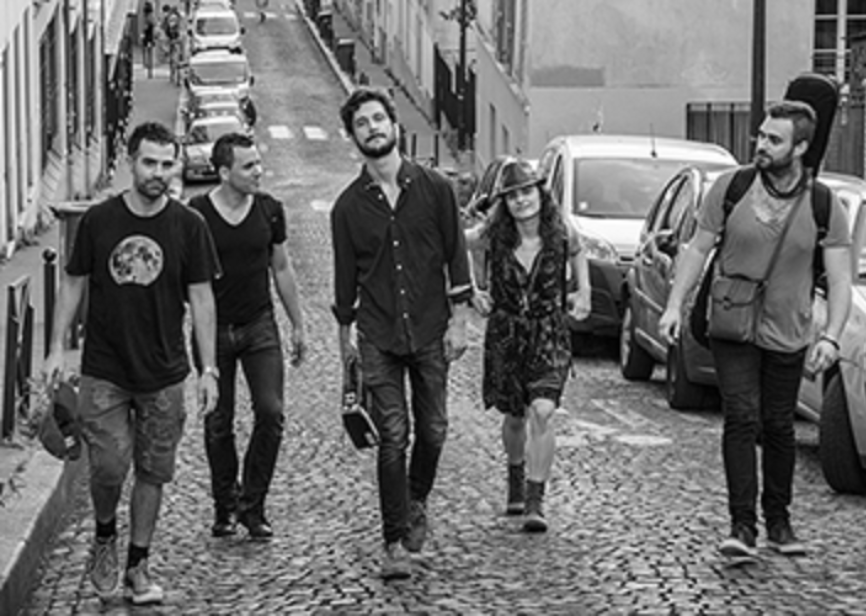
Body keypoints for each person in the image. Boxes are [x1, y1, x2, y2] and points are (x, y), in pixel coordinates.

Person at [658, 101, 852, 559]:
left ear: (800, 148)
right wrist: (674, 306)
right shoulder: (731, 188)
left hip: (789, 330)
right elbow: (697, 249)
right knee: (742, 417)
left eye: (773, 139)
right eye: (761, 135)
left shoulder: (824, 205)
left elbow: (840, 279)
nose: (761, 144)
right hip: (733, 325)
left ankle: (779, 522)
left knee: (778, 425)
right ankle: (742, 526)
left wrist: (832, 336)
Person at [42, 121, 220, 605]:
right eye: (149, 162)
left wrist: (209, 369)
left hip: (164, 371)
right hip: (106, 368)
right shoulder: (99, 221)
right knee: (109, 465)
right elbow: (73, 282)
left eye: (167, 164)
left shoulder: (189, 226)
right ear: (130, 162)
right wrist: (56, 347)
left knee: (153, 470)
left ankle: (138, 565)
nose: (158, 172)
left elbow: (202, 298)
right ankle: (105, 535)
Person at [331, 87, 473, 580]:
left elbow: (456, 256)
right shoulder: (347, 209)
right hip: (378, 333)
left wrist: (459, 320)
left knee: (434, 430)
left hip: (431, 327)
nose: (372, 128)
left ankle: (415, 501)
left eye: (378, 118)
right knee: (393, 434)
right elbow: (344, 281)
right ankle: (394, 542)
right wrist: (345, 342)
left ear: (394, 125)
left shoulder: (435, 189)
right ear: (353, 137)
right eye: (361, 123)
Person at [188, 133, 306, 541]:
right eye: (249, 165)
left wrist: (298, 324)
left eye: (258, 163)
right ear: (224, 172)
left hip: (259, 326)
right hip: (213, 329)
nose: (259, 171)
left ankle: (253, 506)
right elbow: (188, 280)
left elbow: (282, 268)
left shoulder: (270, 211)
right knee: (218, 420)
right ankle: (225, 504)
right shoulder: (198, 213)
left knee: (271, 413)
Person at [465, 159, 590, 533]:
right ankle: (516, 477)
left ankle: (536, 501)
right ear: (504, 202)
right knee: (515, 417)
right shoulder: (493, 234)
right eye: (512, 195)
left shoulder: (559, 230)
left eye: (527, 191)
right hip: (506, 334)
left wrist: (584, 290)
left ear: (540, 192)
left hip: (549, 331)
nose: (521, 200)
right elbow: (455, 243)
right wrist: (472, 290)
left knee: (543, 410)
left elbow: (578, 250)